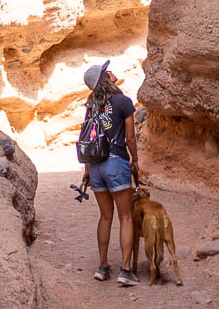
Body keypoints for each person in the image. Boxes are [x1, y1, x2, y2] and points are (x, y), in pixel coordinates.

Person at [81, 59, 140, 287]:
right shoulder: (123, 102)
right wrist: (135, 160)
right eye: (108, 71)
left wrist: (87, 170)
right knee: (126, 216)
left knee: (105, 216)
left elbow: (88, 138)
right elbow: (131, 138)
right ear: (105, 78)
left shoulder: (91, 106)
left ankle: (103, 267)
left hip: (96, 166)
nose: (112, 72)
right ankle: (125, 270)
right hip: (116, 162)